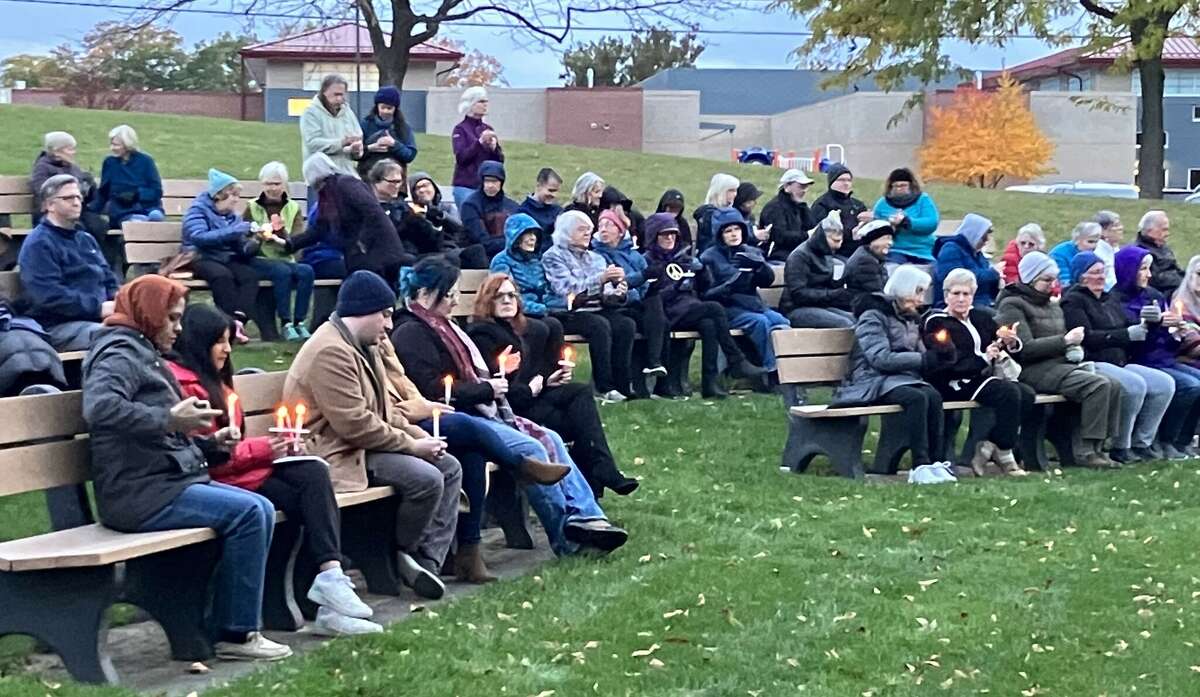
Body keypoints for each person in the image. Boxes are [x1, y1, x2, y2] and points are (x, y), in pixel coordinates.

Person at [82, 274, 292, 661]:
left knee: (258, 507)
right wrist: (168, 419)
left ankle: (229, 624)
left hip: (164, 480)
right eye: (173, 319)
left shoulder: (139, 349)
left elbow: (160, 432)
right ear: (148, 314)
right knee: (249, 511)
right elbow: (99, 408)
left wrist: (210, 444)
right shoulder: (117, 352)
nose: (179, 329)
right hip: (138, 494)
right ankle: (236, 632)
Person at [389, 259, 630, 555]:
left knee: (551, 437)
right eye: (450, 294)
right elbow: (433, 389)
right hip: (451, 418)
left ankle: (591, 518)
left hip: (483, 410)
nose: (454, 301)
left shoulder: (445, 327)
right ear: (427, 293)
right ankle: (567, 538)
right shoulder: (412, 332)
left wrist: (494, 385)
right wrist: (488, 388)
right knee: (533, 448)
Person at [167, 304, 381, 636]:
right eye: (219, 341)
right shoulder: (185, 385)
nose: (227, 348)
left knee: (312, 474)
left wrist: (283, 448)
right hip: (216, 480)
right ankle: (323, 593)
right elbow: (209, 454)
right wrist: (266, 448)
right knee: (303, 495)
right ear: (198, 342)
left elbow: (234, 443)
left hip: (242, 474)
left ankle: (328, 584)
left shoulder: (215, 380)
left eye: (228, 340)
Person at [284, 271, 462, 598]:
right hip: (336, 452)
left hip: (362, 445)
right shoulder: (331, 351)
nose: (389, 325)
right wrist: (412, 445)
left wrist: (419, 439)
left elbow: (383, 412)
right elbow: (355, 425)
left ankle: (425, 560)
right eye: (385, 315)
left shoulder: (366, 345)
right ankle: (397, 553)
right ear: (363, 311)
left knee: (449, 465)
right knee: (426, 478)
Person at [468, 273, 639, 496]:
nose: (507, 301)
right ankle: (597, 480)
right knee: (577, 423)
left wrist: (548, 381)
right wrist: (530, 388)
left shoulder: (519, 330)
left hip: (531, 397)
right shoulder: (483, 335)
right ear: (487, 302)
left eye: (511, 295)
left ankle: (600, 474)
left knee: (579, 392)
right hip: (510, 410)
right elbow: (498, 390)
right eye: (499, 296)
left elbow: (529, 375)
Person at [995, 252, 1119, 468]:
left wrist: (1073, 348)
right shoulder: (1012, 306)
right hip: (1032, 370)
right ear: (1030, 279)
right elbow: (1024, 349)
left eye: (1054, 279)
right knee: (1098, 385)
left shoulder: (1053, 305)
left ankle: (1102, 446)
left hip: (1060, 366)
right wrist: (1065, 341)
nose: (1052, 284)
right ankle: (1086, 451)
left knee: (1115, 385)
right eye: (1047, 280)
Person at [832, 265, 952, 479]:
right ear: (905, 290)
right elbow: (880, 358)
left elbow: (921, 354)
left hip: (900, 378)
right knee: (916, 398)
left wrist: (940, 355)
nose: (921, 298)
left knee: (932, 395)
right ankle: (920, 465)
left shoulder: (910, 318)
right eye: (918, 291)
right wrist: (924, 360)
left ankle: (936, 462)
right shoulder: (873, 315)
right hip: (871, 379)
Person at [1061, 252, 1174, 463]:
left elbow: (1126, 328)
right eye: (1094, 273)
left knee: (1163, 384)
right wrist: (1125, 335)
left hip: (1120, 360)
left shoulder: (1108, 299)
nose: (1101, 277)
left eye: (1103, 272)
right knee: (1134, 385)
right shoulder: (1073, 301)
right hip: (1092, 361)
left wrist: (1148, 325)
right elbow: (1086, 337)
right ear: (1081, 277)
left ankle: (1142, 442)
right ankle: (1120, 445)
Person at [923, 269, 1039, 476]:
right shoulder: (937, 322)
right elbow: (949, 360)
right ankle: (1005, 456)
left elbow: (999, 342)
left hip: (983, 377)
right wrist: (984, 357)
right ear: (946, 295)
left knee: (1026, 393)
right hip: (953, 381)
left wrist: (1010, 342)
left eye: (966, 294)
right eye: (956, 293)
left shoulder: (981, 317)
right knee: (1008, 393)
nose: (961, 299)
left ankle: (989, 447)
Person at [642, 212, 766, 398]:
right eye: (664, 234)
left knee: (709, 325)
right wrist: (677, 283)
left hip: (689, 308)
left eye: (673, 234)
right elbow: (652, 295)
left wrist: (700, 272)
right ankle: (736, 359)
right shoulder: (648, 260)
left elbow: (704, 289)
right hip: (667, 312)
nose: (669, 238)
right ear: (654, 236)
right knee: (714, 308)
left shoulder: (683, 257)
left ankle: (710, 383)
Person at [1113, 246, 1200, 459]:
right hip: (1139, 360)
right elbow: (1132, 342)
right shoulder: (1115, 300)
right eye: (1143, 269)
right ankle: (1164, 439)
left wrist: (1176, 331)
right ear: (1128, 270)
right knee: (1190, 385)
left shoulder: (1154, 295)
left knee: (1197, 381)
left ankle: (1183, 440)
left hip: (1163, 358)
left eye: (1149, 269)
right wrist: (1153, 325)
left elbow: (1168, 343)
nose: (1149, 275)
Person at [543, 210, 637, 401]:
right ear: (566, 233)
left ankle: (623, 385)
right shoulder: (553, 256)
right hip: (567, 312)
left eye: (589, 230)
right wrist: (601, 280)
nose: (587, 234)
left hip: (597, 309)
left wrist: (618, 292)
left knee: (626, 324)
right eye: (581, 230)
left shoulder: (596, 258)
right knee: (599, 325)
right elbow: (566, 290)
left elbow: (607, 293)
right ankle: (604, 387)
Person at [18, 174, 118, 351]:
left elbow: (109, 279)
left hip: (99, 319)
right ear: (49, 205)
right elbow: (49, 296)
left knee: (153, 324)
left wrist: (120, 301)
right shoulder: (39, 243)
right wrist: (98, 308)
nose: (76, 202)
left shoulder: (86, 239)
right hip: (58, 326)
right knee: (120, 337)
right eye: (68, 198)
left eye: (79, 197)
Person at [290, 152, 406, 288]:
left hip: (379, 252)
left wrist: (361, 244)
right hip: (362, 256)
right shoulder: (328, 196)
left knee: (372, 296)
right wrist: (290, 244)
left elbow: (372, 212)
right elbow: (319, 229)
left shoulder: (346, 184)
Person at [699, 207, 790, 375]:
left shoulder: (751, 251)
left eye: (737, 229)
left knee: (780, 321)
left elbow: (767, 281)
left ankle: (789, 369)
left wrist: (760, 267)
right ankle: (772, 371)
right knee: (760, 323)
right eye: (728, 231)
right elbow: (706, 293)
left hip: (753, 304)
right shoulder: (709, 257)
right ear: (720, 234)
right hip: (728, 308)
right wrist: (731, 285)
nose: (734, 234)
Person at [181, 169, 266, 344]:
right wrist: (233, 232)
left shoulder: (232, 217)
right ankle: (225, 326)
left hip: (224, 257)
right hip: (200, 257)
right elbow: (198, 237)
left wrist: (255, 241)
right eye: (233, 195)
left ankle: (238, 322)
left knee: (249, 275)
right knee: (222, 276)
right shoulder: (198, 210)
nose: (236, 200)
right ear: (219, 195)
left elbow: (241, 249)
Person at [591, 209, 668, 384]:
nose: (603, 229)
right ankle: (653, 363)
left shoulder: (635, 256)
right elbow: (615, 284)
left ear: (620, 230)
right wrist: (635, 284)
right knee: (647, 319)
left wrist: (637, 287)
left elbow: (646, 284)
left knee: (660, 317)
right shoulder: (597, 256)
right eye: (600, 225)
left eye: (608, 225)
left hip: (636, 302)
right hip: (614, 305)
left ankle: (658, 376)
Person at [241, 163, 316, 342]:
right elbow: (243, 237)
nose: (272, 188)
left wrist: (283, 238)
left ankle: (299, 321)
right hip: (260, 258)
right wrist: (258, 237)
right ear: (262, 185)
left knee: (306, 271)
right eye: (268, 184)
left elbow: (298, 240)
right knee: (281, 272)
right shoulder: (252, 206)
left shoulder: (293, 207)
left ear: (284, 185)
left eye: (276, 184)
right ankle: (286, 322)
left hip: (285, 256)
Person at [373, 162, 487, 270]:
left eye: (399, 182)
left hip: (447, 248)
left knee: (476, 252)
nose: (397, 186)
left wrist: (441, 217)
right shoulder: (381, 207)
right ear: (376, 182)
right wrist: (416, 220)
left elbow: (460, 230)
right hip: (410, 254)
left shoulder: (444, 208)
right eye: (392, 182)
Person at [782, 211, 854, 328]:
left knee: (858, 320)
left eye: (840, 241)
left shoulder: (827, 253)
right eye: (835, 241)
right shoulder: (800, 256)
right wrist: (833, 295)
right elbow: (798, 294)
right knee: (845, 324)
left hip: (822, 305)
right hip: (796, 309)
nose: (838, 246)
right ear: (823, 236)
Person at [30, 131, 105, 238]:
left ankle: (94, 253)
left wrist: (89, 186)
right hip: (52, 212)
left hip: (76, 210)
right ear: (56, 151)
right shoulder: (42, 167)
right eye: (69, 149)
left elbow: (87, 197)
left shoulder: (73, 167)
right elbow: (44, 192)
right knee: (78, 227)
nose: (73, 152)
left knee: (98, 225)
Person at [92, 124, 164, 229]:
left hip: (148, 207)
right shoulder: (110, 163)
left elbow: (156, 191)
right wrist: (92, 209)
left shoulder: (146, 161)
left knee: (155, 216)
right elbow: (104, 191)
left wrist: (137, 195)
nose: (112, 148)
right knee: (138, 223)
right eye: (112, 144)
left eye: (116, 145)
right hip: (122, 210)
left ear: (127, 145)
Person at [872, 168, 939, 267]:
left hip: (922, 251)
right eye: (896, 186)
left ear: (911, 185)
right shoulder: (882, 204)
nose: (899, 189)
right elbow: (875, 228)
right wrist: (890, 225)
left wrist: (907, 222)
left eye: (903, 185)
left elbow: (931, 223)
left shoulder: (923, 200)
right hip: (894, 250)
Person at [299, 74, 363, 179]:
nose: (339, 99)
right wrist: (341, 143)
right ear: (324, 92)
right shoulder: (311, 112)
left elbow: (358, 136)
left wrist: (356, 149)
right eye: (336, 95)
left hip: (346, 175)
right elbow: (312, 143)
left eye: (342, 95)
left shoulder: (347, 112)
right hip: (320, 177)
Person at [932, 214, 1001, 308]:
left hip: (982, 303)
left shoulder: (977, 254)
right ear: (973, 234)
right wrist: (992, 273)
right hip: (957, 305)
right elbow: (957, 280)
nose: (986, 241)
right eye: (983, 238)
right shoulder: (950, 250)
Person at [451, 86, 503, 209]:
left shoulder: (488, 129)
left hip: (486, 188)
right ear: (470, 104)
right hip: (465, 186)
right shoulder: (460, 129)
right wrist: (479, 143)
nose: (485, 105)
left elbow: (499, 162)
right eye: (481, 101)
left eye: (486, 101)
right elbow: (461, 158)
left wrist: (494, 148)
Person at [460, 160, 519, 259]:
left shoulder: (512, 206)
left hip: (511, 254)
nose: (490, 185)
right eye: (487, 181)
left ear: (501, 182)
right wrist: (514, 243)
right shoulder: (470, 205)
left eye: (494, 181)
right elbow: (482, 241)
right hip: (481, 257)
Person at [809, 163, 871, 258]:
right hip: (834, 254)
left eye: (849, 180)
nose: (846, 183)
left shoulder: (858, 205)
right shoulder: (822, 204)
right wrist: (850, 233)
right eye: (841, 180)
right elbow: (819, 233)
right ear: (832, 182)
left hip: (859, 252)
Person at [357, 85, 417, 179]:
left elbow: (410, 155)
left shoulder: (403, 127)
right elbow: (356, 154)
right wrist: (371, 148)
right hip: (368, 175)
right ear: (377, 107)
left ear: (395, 108)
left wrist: (394, 144)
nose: (385, 111)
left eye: (389, 108)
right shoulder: (365, 124)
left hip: (395, 177)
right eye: (382, 107)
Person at [1136, 210, 1184, 296]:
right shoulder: (1140, 251)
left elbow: (1177, 269)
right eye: (1164, 230)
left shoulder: (1163, 247)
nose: (1167, 234)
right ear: (1149, 230)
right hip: (1161, 296)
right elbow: (1155, 279)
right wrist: (1183, 281)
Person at [844, 221, 895, 297]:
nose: (890, 243)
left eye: (891, 239)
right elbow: (876, 291)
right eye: (885, 238)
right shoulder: (864, 260)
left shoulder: (874, 257)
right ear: (872, 240)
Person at [516, 168, 563, 244]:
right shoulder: (524, 213)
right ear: (538, 186)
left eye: (556, 191)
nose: (554, 195)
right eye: (550, 190)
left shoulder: (558, 210)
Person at [693, 173, 739, 252]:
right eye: (731, 190)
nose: (735, 194)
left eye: (735, 190)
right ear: (720, 191)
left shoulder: (729, 212)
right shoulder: (709, 214)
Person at [1048, 221, 1101, 286]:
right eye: (1090, 241)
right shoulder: (1059, 254)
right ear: (1077, 239)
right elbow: (1064, 283)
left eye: (1096, 242)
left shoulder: (1093, 255)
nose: (1094, 246)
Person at [1093, 210, 1124, 291]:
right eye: (1116, 226)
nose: (1121, 228)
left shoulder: (1115, 249)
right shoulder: (1098, 253)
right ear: (1102, 231)